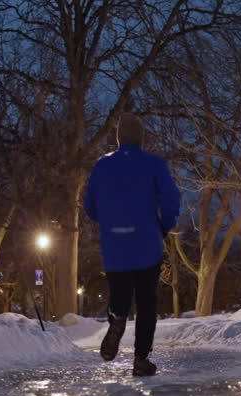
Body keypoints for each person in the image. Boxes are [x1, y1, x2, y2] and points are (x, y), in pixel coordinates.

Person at [83, 113, 181, 377]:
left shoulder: (102, 166)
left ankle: (117, 318)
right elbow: (171, 199)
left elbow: (90, 206)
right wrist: (164, 225)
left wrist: (110, 222)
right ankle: (141, 359)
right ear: (141, 138)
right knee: (147, 301)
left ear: (118, 138)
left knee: (120, 293)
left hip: (115, 244)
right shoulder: (154, 165)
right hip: (147, 242)